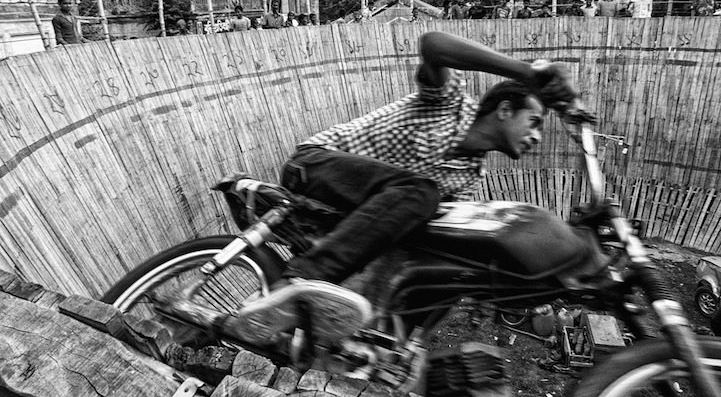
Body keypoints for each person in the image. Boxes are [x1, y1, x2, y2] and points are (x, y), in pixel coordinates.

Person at [234, 31, 581, 342]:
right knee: (423, 192)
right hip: (314, 166)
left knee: (444, 262)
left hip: (354, 214)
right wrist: (525, 73)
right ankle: (300, 279)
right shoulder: (449, 103)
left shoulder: (469, 177)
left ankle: (397, 346)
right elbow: (433, 45)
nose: (536, 137)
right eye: (533, 123)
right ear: (504, 110)